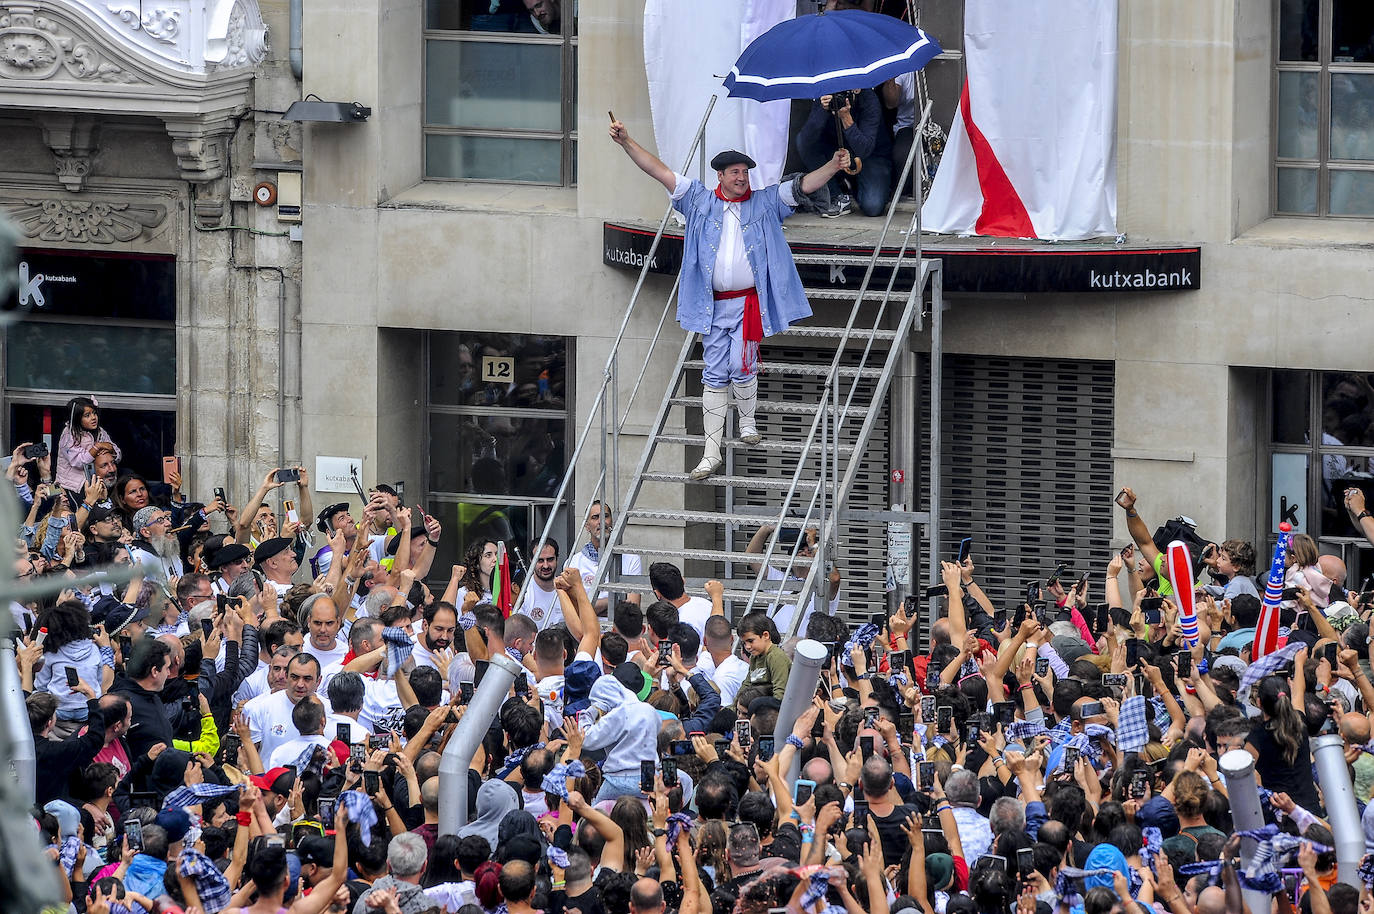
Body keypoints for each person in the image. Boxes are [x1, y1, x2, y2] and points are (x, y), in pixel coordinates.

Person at [609, 116, 850, 480]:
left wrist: (833, 165)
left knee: (741, 363)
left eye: (745, 172)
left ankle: (748, 424)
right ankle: (711, 453)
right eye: (735, 172)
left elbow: (802, 186)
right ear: (720, 176)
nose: (742, 177)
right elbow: (659, 171)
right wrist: (627, 141)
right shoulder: (699, 200)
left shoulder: (766, 202)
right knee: (714, 374)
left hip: (748, 304)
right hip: (712, 305)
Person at [796, 88, 894, 218]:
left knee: (873, 206)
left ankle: (856, 185)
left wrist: (846, 118)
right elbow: (805, 141)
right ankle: (834, 194)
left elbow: (864, 149)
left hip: (870, 156)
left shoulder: (869, 99)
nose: (842, 98)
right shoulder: (824, 95)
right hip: (836, 154)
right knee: (805, 144)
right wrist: (822, 109)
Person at [565, 501, 641, 613]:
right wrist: (615, 600)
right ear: (586, 526)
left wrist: (589, 605)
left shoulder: (631, 558)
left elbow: (632, 610)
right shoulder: (573, 563)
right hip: (585, 630)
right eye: (595, 517)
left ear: (612, 522)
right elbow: (574, 610)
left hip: (619, 629)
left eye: (605, 516)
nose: (601, 521)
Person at [56, 396, 120, 500]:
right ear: (77, 419)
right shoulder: (68, 436)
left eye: (94, 413)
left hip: (93, 482)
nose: (93, 417)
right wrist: (97, 447)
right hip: (72, 486)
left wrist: (110, 450)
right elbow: (78, 461)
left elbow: (117, 453)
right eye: (87, 415)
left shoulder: (100, 432)